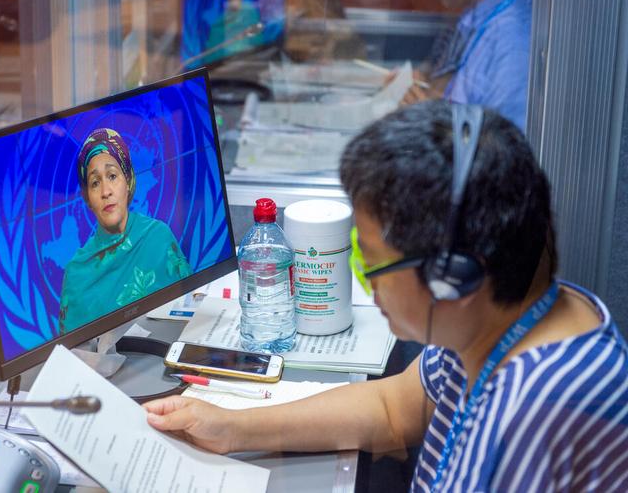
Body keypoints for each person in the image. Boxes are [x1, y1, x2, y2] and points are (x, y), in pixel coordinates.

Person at [143, 101, 628, 491]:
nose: (365, 283)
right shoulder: (509, 314)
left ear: (450, 276)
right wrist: (233, 428)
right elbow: (395, 409)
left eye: (369, 262)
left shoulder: (531, 416)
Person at [59, 128, 192, 334]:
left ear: (128, 181)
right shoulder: (77, 273)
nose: (106, 192)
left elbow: (190, 312)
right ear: (87, 198)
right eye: (95, 183)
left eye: (112, 176)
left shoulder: (158, 237)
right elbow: (72, 357)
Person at [401, 0, 532, 131]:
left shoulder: (514, 40)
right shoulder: (480, 15)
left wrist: (434, 123)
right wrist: (427, 85)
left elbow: (503, 150)